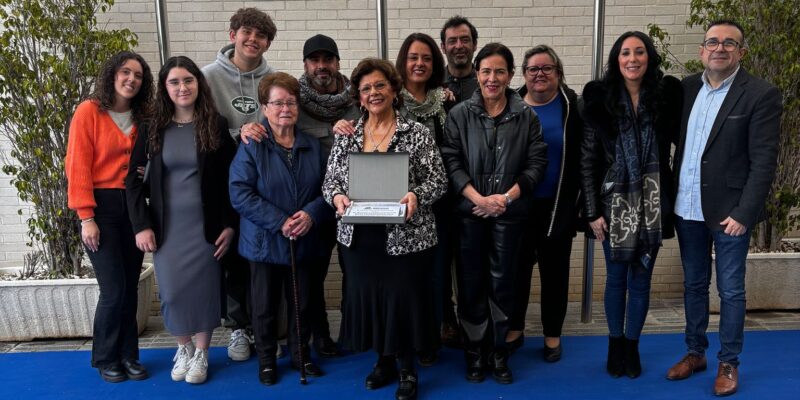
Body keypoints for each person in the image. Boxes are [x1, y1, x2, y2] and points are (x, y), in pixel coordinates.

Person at [666, 20, 782, 396]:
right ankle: (694, 352)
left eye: (729, 43)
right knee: (695, 285)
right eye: (713, 42)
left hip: (730, 213)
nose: (720, 48)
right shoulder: (685, 90)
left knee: (730, 291)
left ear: (741, 52)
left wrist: (745, 213)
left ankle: (728, 362)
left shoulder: (760, 94)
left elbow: (764, 162)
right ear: (702, 50)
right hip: (687, 208)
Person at [323, 58, 447, 400]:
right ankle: (383, 360)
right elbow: (330, 181)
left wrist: (415, 195)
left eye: (380, 85)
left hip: (406, 236)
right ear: (359, 98)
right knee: (374, 300)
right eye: (366, 89)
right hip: (360, 238)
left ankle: (407, 367)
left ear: (393, 90)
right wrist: (336, 197)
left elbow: (438, 180)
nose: (373, 92)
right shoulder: (348, 135)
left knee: (402, 300)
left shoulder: (416, 132)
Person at [239, 34, 360, 359]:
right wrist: (246, 128)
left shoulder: (356, 102)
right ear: (306, 65)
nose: (322, 66)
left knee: (342, 277)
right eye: (314, 60)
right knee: (309, 284)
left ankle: (347, 335)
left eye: (328, 59)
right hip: (309, 209)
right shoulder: (295, 102)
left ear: (336, 63)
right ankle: (317, 339)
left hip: (346, 204)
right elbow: (265, 130)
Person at [440, 42, 547, 385]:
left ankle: (498, 353)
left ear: (511, 75)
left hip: (510, 213)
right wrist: (476, 197)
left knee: (504, 286)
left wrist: (505, 198)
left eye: (500, 71)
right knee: (470, 285)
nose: (492, 78)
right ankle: (474, 354)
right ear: (476, 73)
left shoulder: (526, 116)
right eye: (485, 71)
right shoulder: (458, 115)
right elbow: (451, 160)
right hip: (469, 213)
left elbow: (536, 164)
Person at [125, 56, 236, 384]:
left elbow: (233, 179)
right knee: (172, 292)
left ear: (198, 83)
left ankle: (202, 352)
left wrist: (230, 225)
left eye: (188, 80)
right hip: (166, 228)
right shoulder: (151, 128)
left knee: (203, 290)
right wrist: (141, 225)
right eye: (174, 82)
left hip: (206, 227)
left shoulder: (214, 124)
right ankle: (183, 348)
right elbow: (132, 180)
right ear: (164, 88)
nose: (182, 87)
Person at [580, 31, 682, 379]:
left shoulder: (665, 99)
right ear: (616, 59)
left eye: (639, 52)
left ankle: (632, 347)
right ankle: (614, 345)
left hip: (653, 207)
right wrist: (592, 211)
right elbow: (588, 159)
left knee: (641, 282)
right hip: (613, 207)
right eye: (625, 53)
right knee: (616, 279)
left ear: (648, 57)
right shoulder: (599, 100)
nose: (633, 58)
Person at [229, 72, 332, 386]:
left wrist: (312, 214)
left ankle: (301, 355)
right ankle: (266, 360)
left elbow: (329, 189)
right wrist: (280, 221)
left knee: (301, 303)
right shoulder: (252, 145)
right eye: (277, 102)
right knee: (263, 306)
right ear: (264, 107)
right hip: (263, 241)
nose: (285, 108)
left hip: (303, 239)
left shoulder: (313, 147)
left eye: (291, 102)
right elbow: (240, 192)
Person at [65, 51, 153, 383]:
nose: (132, 79)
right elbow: (77, 166)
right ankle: (105, 357)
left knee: (129, 287)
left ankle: (130, 355)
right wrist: (86, 217)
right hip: (99, 208)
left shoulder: (144, 117)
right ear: (112, 75)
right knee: (114, 289)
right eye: (125, 72)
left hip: (132, 205)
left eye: (139, 76)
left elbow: (148, 160)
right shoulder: (89, 111)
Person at [201, 6, 277, 362]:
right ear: (233, 34)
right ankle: (237, 329)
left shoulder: (271, 79)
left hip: (261, 182)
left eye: (260, 35)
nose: (253, 39)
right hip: (219, 181)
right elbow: (198, 128)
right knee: (230, 256)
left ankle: (264, 324)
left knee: (259, 256)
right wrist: (237, 132)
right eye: (246, 32)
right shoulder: (207, 78)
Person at [510, 44, 584, 362]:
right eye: (533, 69)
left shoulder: (573, 107)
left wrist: (581, 202)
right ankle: (514, 328)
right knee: (515, 271)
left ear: (558, 73)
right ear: (524, 74)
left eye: (546, 69)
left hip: (557, 205)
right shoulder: (509, 104)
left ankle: (552, 334)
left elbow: (586, 157)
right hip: (516, 203)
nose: (539, 75)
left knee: (555, 273)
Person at [440, 15, 479, 109]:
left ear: (474, 45)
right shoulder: (434, 84)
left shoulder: (485, 84)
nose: (459, 46)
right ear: (443, 47)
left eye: (465, 40)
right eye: (452, 41)